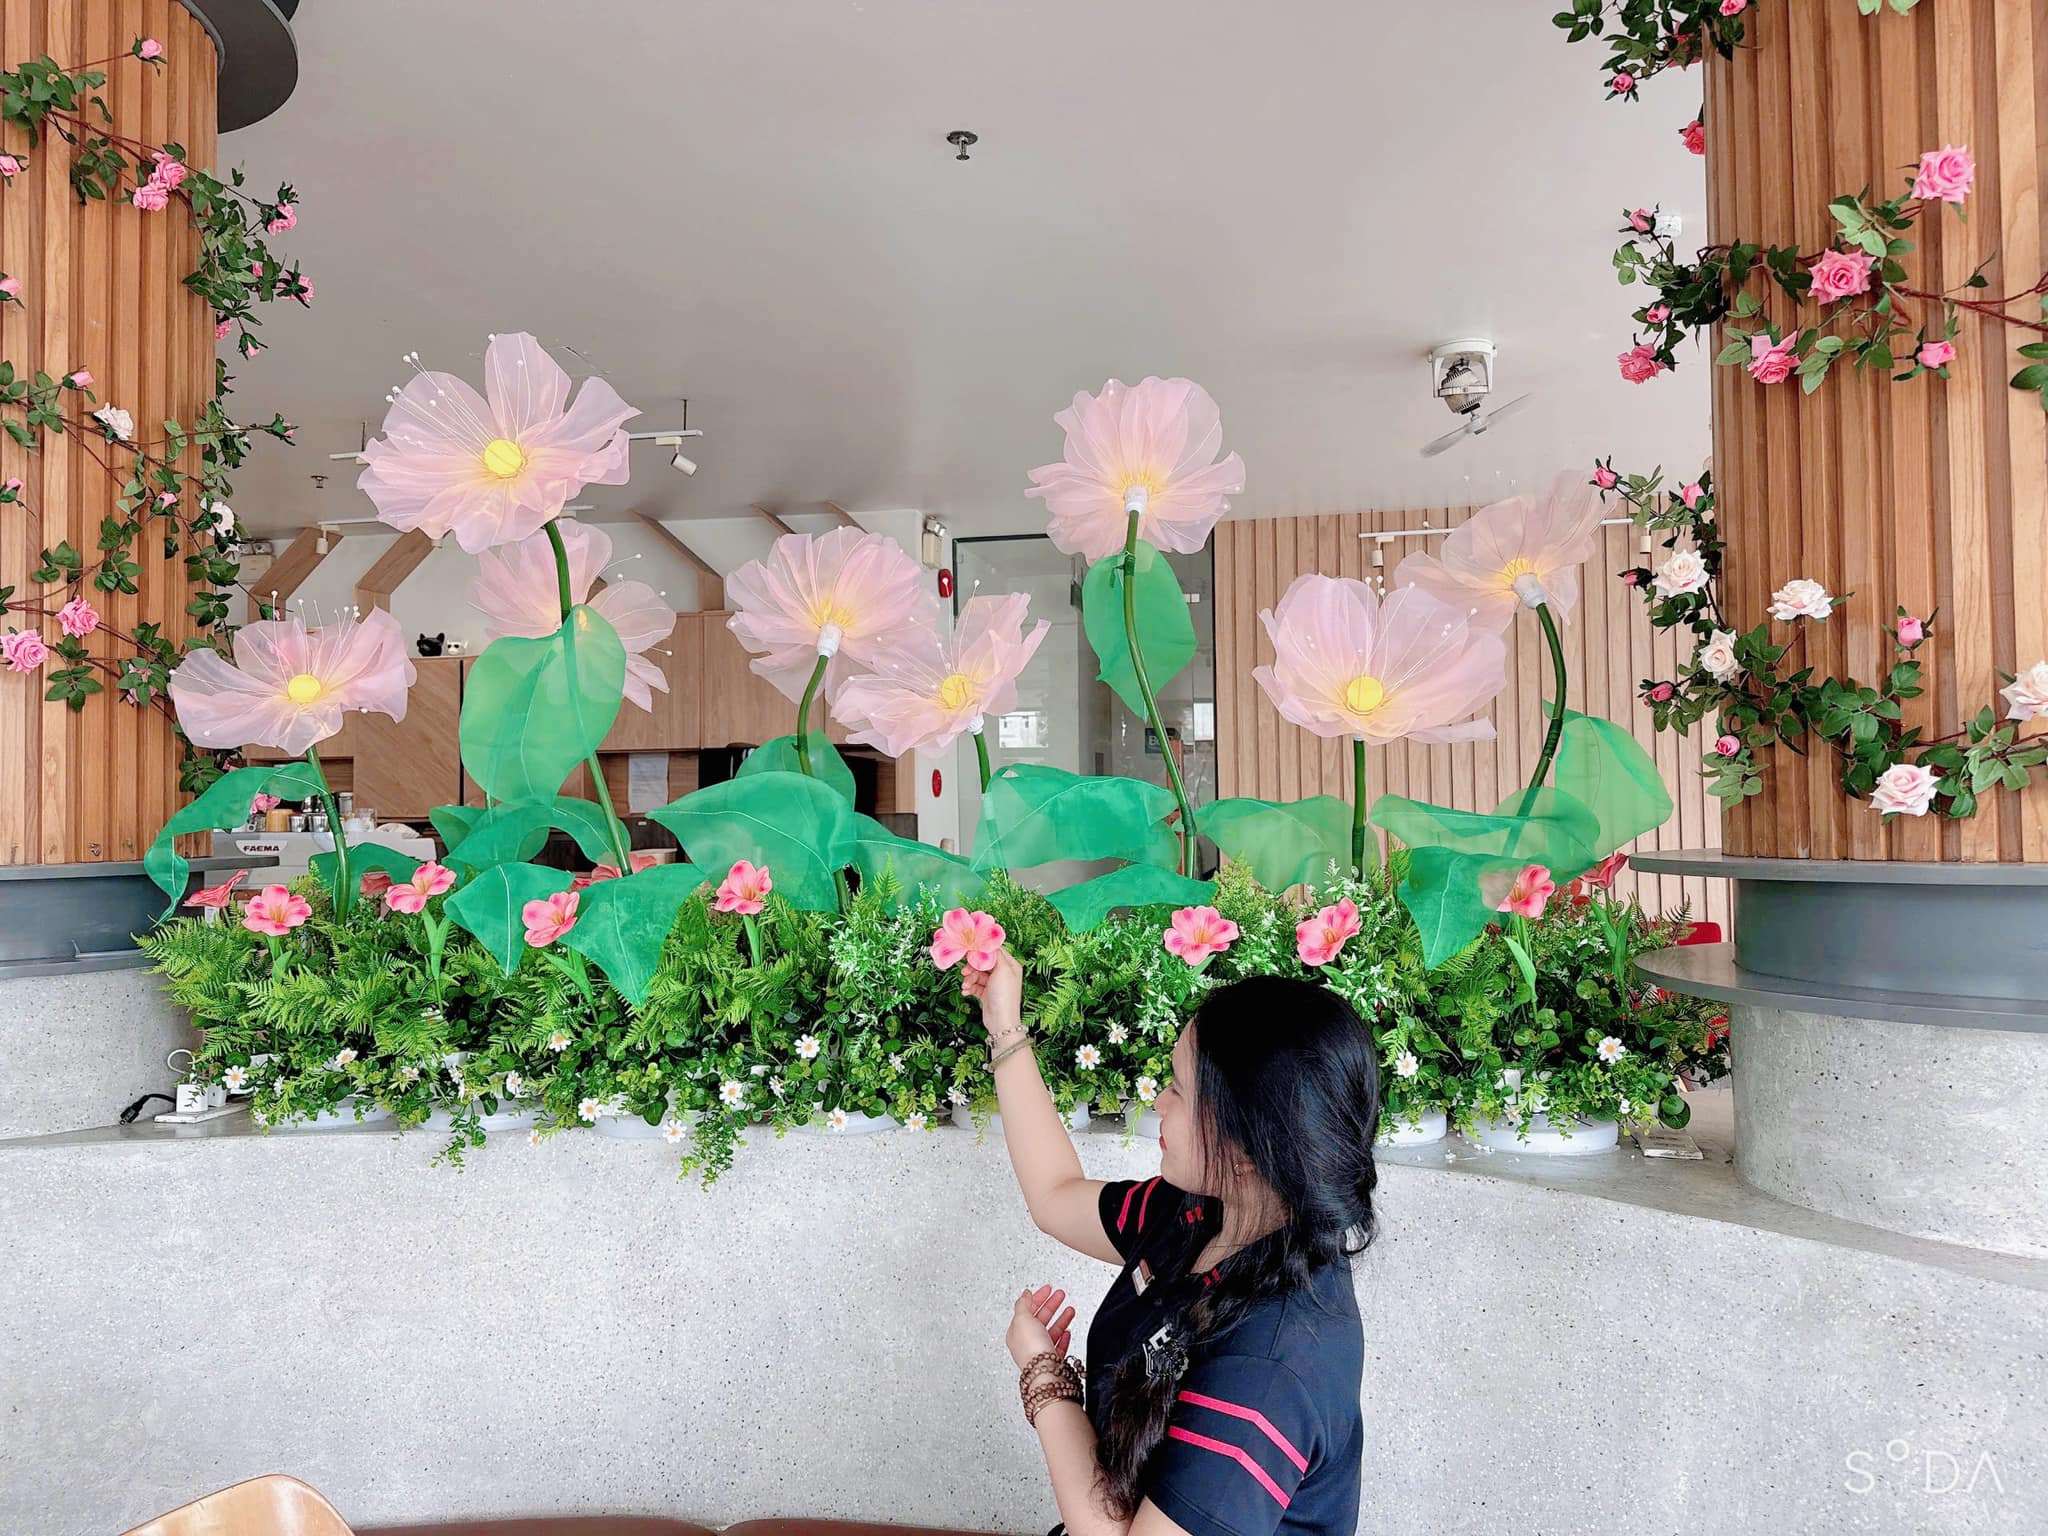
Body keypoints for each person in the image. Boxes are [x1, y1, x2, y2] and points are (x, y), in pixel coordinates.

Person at [961, 949, 1380, 1536]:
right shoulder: (1203, 1212)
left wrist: (1045, 1380)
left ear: (1245, 1147)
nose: (1158, 1101)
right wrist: (1005, 1025)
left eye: (1179, 1090)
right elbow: (1056, 1197)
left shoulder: (1268, 1368)